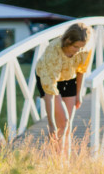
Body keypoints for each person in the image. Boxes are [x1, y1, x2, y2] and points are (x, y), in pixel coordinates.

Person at [35, 21, 93, 151]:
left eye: (81, 48)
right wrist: (51, 124)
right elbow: (49, 91)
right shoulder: (53, 51)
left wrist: (79, 94)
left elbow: (81, 70)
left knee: (67, 125)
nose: (78, 51)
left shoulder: (85, 48)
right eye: (75, 47)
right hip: (48, 78)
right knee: (62, 122)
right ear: (67, 40)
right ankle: (57, 162)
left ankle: (64, 162)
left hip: (69, 77)